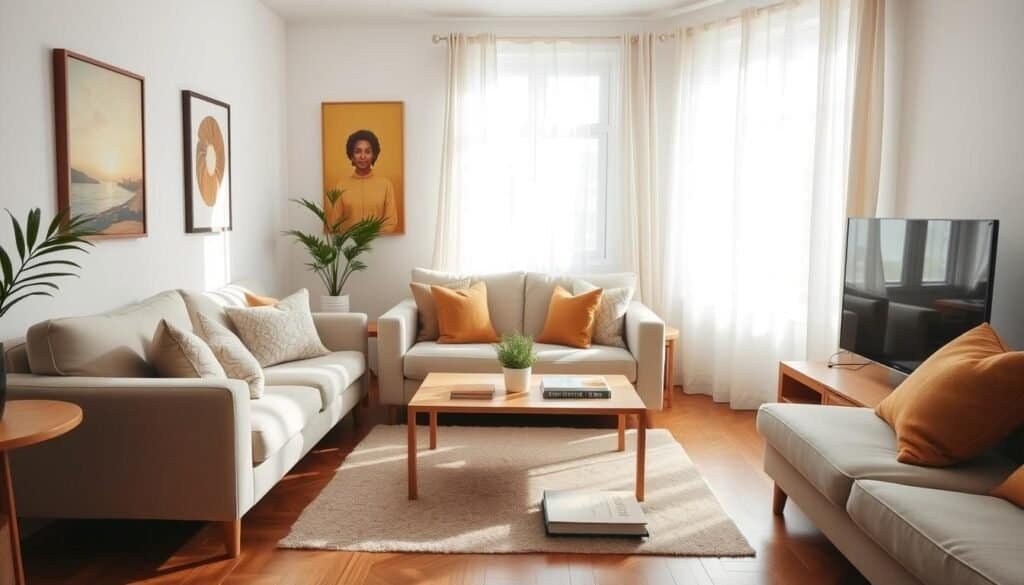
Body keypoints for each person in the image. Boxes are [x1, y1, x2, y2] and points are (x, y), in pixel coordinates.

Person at [329, 129, 398, 234]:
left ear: (374, 155)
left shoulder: (386, 185)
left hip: (379, 242)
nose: (362, 156)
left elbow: (391, 221)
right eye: (358, 151)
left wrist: (372, 238)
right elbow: (334, 223)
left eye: (367, 152)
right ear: (351, 155)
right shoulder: (341, 185)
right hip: (349, 244)